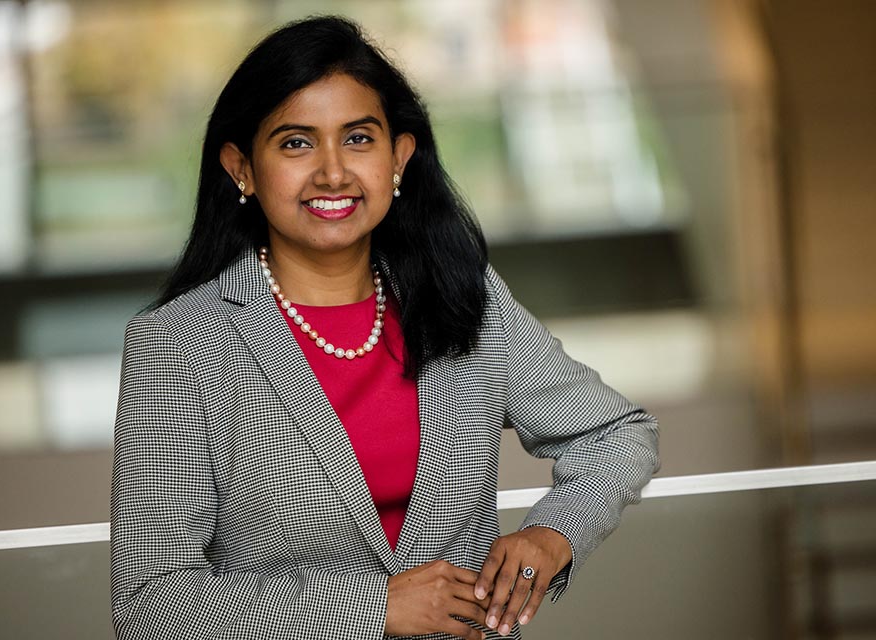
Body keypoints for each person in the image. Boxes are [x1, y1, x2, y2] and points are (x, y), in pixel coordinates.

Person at [110, 15, 658, 640]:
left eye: (359, 139)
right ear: (241, 168)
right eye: (295, 143)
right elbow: (148, 601)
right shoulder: (178, 342)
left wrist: (555, 533)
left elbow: (618, 436)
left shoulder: (466, 296)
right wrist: (373, 607)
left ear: (399, 156)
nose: (333, 173)